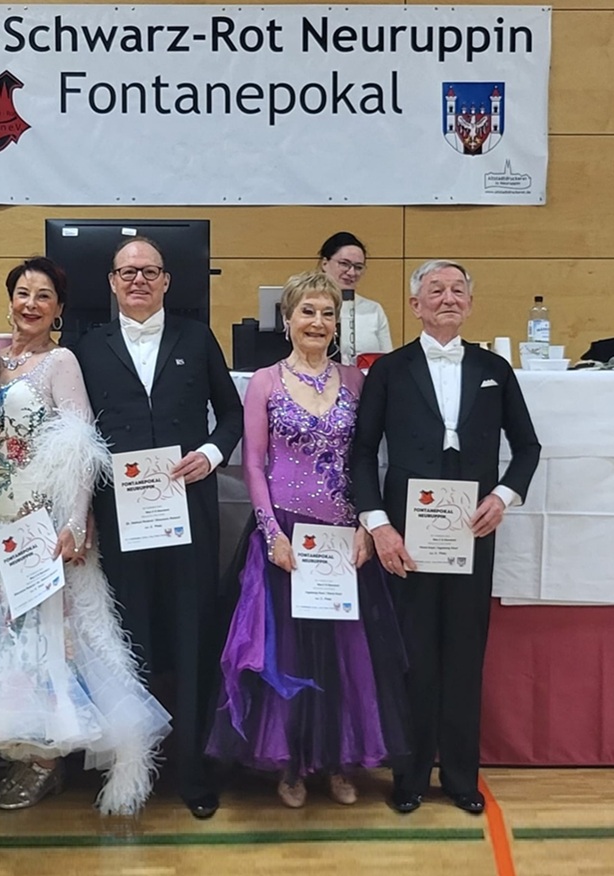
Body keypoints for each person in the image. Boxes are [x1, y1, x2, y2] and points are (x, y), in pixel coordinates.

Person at [0, 258, 172, 814]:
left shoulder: (61, 362)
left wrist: (74, 521)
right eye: (22, 293)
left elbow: (79, 447)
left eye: (43, 296)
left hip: (38, 526)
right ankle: (19, 747)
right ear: (9, 301)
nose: (30, 304)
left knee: (42, 644)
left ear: (59, 309)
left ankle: (45, 761)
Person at [205, 271, 410, 808]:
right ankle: (291, 766)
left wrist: (367, 525)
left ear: (336, 323)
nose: (317, 322)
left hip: (343, 539)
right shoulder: (265, 382)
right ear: (288, 319)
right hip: (287, 538)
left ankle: (339, 762)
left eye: (327, 314)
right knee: (290, 657)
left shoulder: (357, 381)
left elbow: (366, 458)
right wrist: (271, 532)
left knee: (344, 658)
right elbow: (253, 464)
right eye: (307, 312)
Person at [351, 260, 540, 815]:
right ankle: (409, 776)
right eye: (436, 290)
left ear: (471, 304)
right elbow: (362, 452)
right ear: (415, 305)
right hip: (405, 538)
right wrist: (378, 524)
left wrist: (503, 497)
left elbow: (527, 447)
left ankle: (460, 777)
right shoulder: (389, 369)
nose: (448, 298)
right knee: (413, 656)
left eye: (458, 290)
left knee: (463, 654)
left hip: (471, 533)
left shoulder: (494, 368)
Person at [76, 236, 243, 819]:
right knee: (130, 639)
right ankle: (133, 770)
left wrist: (212, 454)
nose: (139, 281)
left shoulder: (196, 338)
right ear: (112, 283)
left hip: (188, 511)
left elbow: (232, 413)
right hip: (119, 517)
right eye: (128, 272)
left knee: (193, 635)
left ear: (167, 281)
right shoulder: (87, 346)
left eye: (150, 271)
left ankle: (192, 773)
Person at [318, 231, 393, 360]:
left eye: (358, 267)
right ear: (324, 263)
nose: (351, 272)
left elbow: (387, 361)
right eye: (344, 264)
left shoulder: (373, 310)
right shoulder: (305, 307)